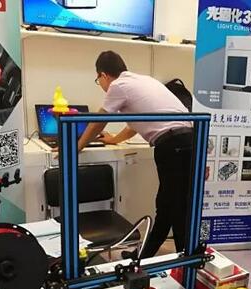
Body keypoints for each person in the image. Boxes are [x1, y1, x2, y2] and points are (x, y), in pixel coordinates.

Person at [76, 51, 193, 259]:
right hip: (190, 141)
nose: (100, 84)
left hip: (171, 147)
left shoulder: (118, 85)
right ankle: (142, 256)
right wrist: (114, 140)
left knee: (174, 208)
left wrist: (76, 146)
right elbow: (134, 126)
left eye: (98, 80)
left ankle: (184, 262)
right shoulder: (144, 80)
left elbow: (99, 121)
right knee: (169, 206)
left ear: (103, 75)